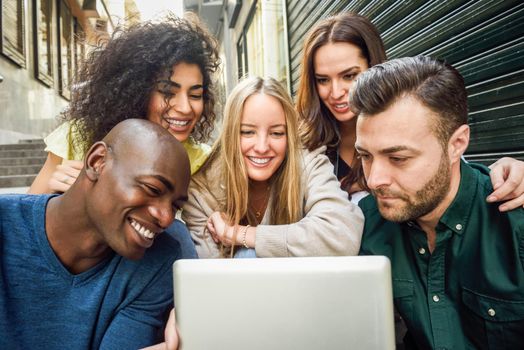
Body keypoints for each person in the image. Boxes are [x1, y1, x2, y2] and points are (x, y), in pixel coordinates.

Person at [354, 56, 524, 349]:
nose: (374, 180)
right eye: (365, 156)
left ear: (457, 144)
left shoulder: (515, 223)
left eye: (398, 158)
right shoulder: (366, 226)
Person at [27, 13, 220, 258]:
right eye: (168, 92)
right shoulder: (77, 137)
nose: (185, 107)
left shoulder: (201, 159)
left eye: (195, 95)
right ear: (137, 90)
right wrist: (54, 200)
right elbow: (24, 222)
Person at [296, 12, 524, 208]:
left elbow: (452, 180)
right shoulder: (304, 145)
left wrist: (506, 173)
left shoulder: (415, 121)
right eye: (323, 80)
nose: (336, 92)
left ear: (373, 67)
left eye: (349, 76)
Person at [0, 119, 190, 349]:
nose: (166, 218)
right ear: (97, 162)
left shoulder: (158, 260)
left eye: (175, 206)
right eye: (152, 189)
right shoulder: (5, 224)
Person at [182, 76, 364, 258]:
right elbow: (213, 279)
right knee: (246, 257)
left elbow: (342, 235)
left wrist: (241, 234)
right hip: (242, 286)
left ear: (289, 135)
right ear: (230, 134)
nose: (262, 147)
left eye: (277, 133)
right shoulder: (202, 191)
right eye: (247, 132)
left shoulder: (306, 160)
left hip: (304, 283)